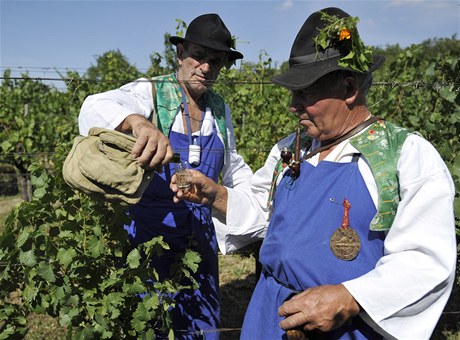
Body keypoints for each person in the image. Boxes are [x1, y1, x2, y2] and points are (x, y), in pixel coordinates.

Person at [170, 7, 457, 339]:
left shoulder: (403, 156)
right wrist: (216, 196)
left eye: (305, 92)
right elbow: (262, 216)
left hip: (347, 328)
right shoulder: (289, 151)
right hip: (269, 317)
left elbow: (426, 260)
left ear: (349, 88)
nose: (293, 105)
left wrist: (351, 298)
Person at [78, 13, 253, 339]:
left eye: (216, 61)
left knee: (202, 323)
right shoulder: (150, 92)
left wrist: (252, 202)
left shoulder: (219, 109)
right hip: (148, 238)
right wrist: (138, 123)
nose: (206, 67)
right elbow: (95, 106)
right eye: (199, 56)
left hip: (199, 242)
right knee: (152, 321)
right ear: (180, 54)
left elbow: (231, 165)